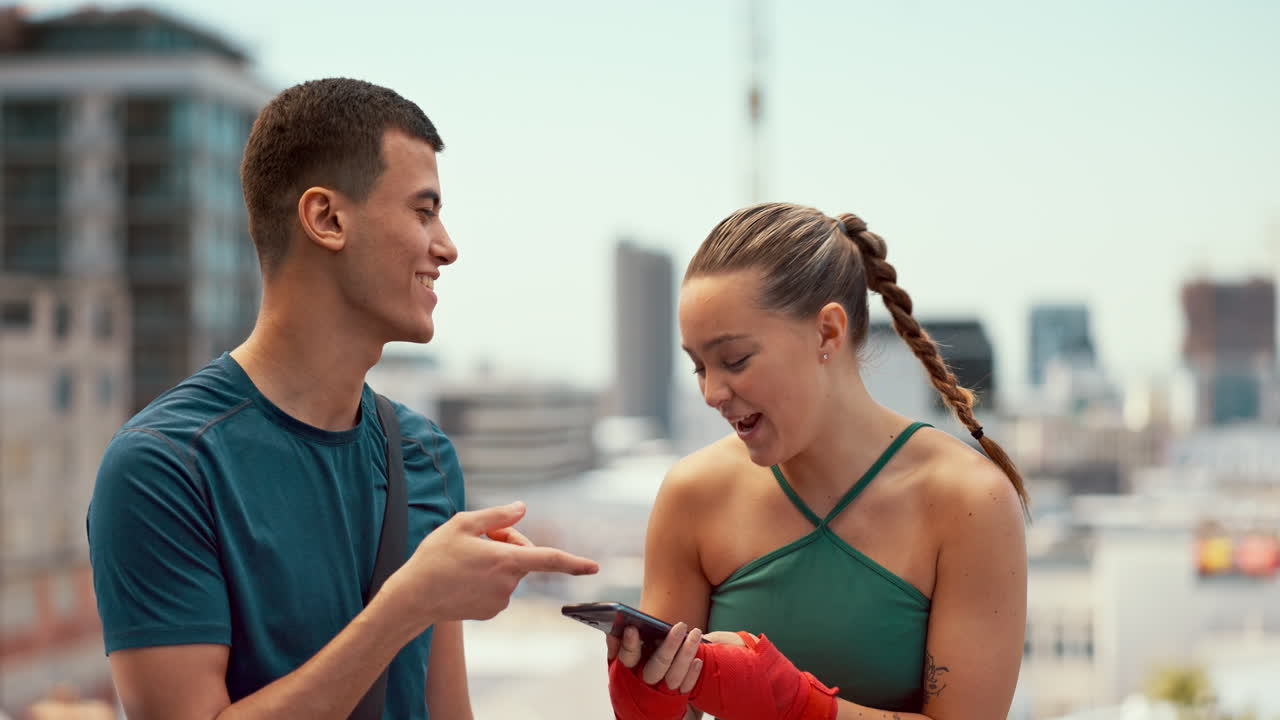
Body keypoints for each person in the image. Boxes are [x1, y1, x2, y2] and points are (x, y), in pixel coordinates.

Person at [87, 78, 598, 720]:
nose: (447, 246)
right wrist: (408, 602)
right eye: (423, 210)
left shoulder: (425, 454)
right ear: (327, 219)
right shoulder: (162, 466)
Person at [606, 203, 1028, 720]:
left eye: (735, 359)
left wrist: (797, 705)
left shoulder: (967, 501)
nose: (713, 392)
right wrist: (647, 704)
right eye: (698, 366)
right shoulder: (692, 495)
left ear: (827, 332)